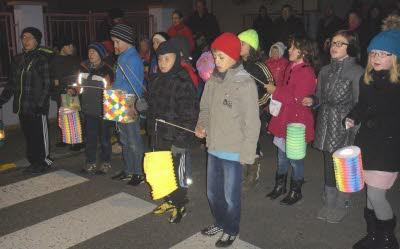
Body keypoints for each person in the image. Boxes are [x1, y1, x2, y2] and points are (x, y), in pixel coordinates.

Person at [195, 32, 260, 247]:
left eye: (221, 57)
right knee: (213, 193)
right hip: (213, 147)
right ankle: (221, 222)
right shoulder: (213, 79)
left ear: (234, 56)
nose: (216, 61)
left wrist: (247, 155)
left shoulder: (245, 83)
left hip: (233, 151)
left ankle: (231, 229)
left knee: (231, 197)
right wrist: (201, 125)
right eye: (215, 56)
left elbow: (252, 123)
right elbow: (204, 107)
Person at [346, 29, 400, 249]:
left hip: (388, 147)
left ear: (395, 57)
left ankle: (388, 241)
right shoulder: (365, 79)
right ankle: (373, 236)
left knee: (377, 195)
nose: (377, 57)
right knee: (370, 192)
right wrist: (353, 117)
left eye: (384, 53)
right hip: (367, 145)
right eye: (374, 53)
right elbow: (362, 106)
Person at [302, 30, 364, 223]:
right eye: (333, 43)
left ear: (350, 48)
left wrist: (353, 124)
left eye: (340, 44)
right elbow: (319, 96)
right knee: (329, 162)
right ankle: (329, 200)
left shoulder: (357, 71)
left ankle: (343, 202)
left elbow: (359, 102)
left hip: (345, 123)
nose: (334, 47)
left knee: (344, 165)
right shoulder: (324, 71)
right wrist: (312, 100)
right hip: (326, 121)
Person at [146, 40, 199, 223]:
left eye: (167, 59)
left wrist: (181, 140)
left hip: (177, 138)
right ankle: (168, 199)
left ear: (177, 59)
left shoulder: (183, 82)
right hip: (159, 134)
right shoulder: (156, 79)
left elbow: (190, 115)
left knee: (179, 173)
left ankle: (180, 204)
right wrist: (143, 106)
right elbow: (152, 106)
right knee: (162, 171)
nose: (162, 63)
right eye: (160, 59)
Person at [265, 35, 319, 205]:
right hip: (284, 117)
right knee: (281, 155)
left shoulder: (307, 72)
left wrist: (275, 91)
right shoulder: (290, 66)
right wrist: (275, 89)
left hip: (297, 121)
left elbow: (297, 97)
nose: (289, 50)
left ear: (304, 51)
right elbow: (284, 87)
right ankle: (280, 186)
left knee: (295, 159)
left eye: (294, 47)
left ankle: (296, 190)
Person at [0, 27, 54, 174]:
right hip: (22, 106)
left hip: (37, 106)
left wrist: (41, 104)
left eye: (29, 37)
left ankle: (44, 162)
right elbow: (11, 83)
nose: (26, 40)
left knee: (40, 136)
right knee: (29, 136)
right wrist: (2, 100)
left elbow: (47, 84)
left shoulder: (42, 59)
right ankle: (34, 162)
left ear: (37, 41)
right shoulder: (18, 59)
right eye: (23, 37)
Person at [238, 29, 274, 191]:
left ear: (251, 46)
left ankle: (253, 174)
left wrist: (257, 105)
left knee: (252, 142)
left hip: (254, 110)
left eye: (243, 43)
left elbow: (270, 87)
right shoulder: (236, 64)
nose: (239, 45)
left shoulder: (259, 66)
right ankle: (243, 169)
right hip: (237, 110)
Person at [109, 24, 146, 186]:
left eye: (117, 42)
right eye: (114, 42)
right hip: (119, 100)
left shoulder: (132, 58)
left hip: (129, 102)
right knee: (124, 139)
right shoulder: (123, 56)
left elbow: (134, 86)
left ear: (127, 41)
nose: (115, 45)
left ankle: (139, 172)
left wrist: (113, 88)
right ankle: (129, 169)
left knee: (133, 139)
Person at [74, 42, 114, 174]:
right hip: (88, 109)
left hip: (103, 111)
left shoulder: (107, 70)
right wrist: (73, 90)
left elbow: (111, 91)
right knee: (90, 138)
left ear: (101, 55)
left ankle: (106, 162)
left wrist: (109, 89)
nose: (90, 54)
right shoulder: (83, 67)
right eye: (89, 51)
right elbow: (78, 87)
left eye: (94, 52)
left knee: (104, 139)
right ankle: (90, 162)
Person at [50, 37, 81, 148]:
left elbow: (76, 75)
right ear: (63, 47)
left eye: (72, 46)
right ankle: (66, 139)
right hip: (61, 91)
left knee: (72, 117)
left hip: (71, 91)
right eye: (69, 46)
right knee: (62, 117)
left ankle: (76, 142)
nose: (72, 48)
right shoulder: (55, 60)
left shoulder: (73, 59)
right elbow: (54, 79)